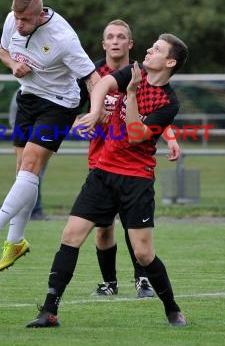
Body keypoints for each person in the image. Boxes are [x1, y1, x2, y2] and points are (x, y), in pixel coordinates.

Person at [26, 33, 189, 328]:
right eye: (151, 47)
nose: (149, 51)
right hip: (103, 173)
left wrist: (129, 95)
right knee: (70, 236)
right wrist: (95, 111)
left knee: (142, 252)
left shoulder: (168, 102)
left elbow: (136, 135)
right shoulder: (133, 70)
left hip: (136, 180)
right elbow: (101, 83)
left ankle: (173, 309)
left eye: (157, 49)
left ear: (170, 62)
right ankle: (49, 311)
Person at [0, 0, 99, 272]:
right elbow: (2, 51)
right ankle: (16, 243)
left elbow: (93, 78)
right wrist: (13, 64)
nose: (19, 24)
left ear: (40, 14)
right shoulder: (12, 20)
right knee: (23, 174)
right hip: (28, 97)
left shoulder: (64, 38)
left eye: (25, 19)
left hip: (59, 103)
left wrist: (95, 111)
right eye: (17, 18)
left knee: (30, 164)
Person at [85, 20, 181, 299]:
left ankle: (142, 279)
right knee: (103, 228)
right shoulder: (93, 74)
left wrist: (171, 136)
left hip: (132, 162)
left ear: (131, 44)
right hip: (100, 157)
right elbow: (77, 110)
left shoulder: (143, 73)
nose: (115, 42)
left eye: (121, 37)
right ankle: (109, 283)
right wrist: (92, 116)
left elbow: (156, 112)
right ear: (103, 44)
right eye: (110, 37)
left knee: (133, 226)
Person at [8, 91, 48, 220]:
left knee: (33, 175)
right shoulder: (23, 93)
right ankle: (31, 210)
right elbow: (16, 120)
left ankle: (32, 210)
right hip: (28, 138)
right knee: (28, 174)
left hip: (39, 138)